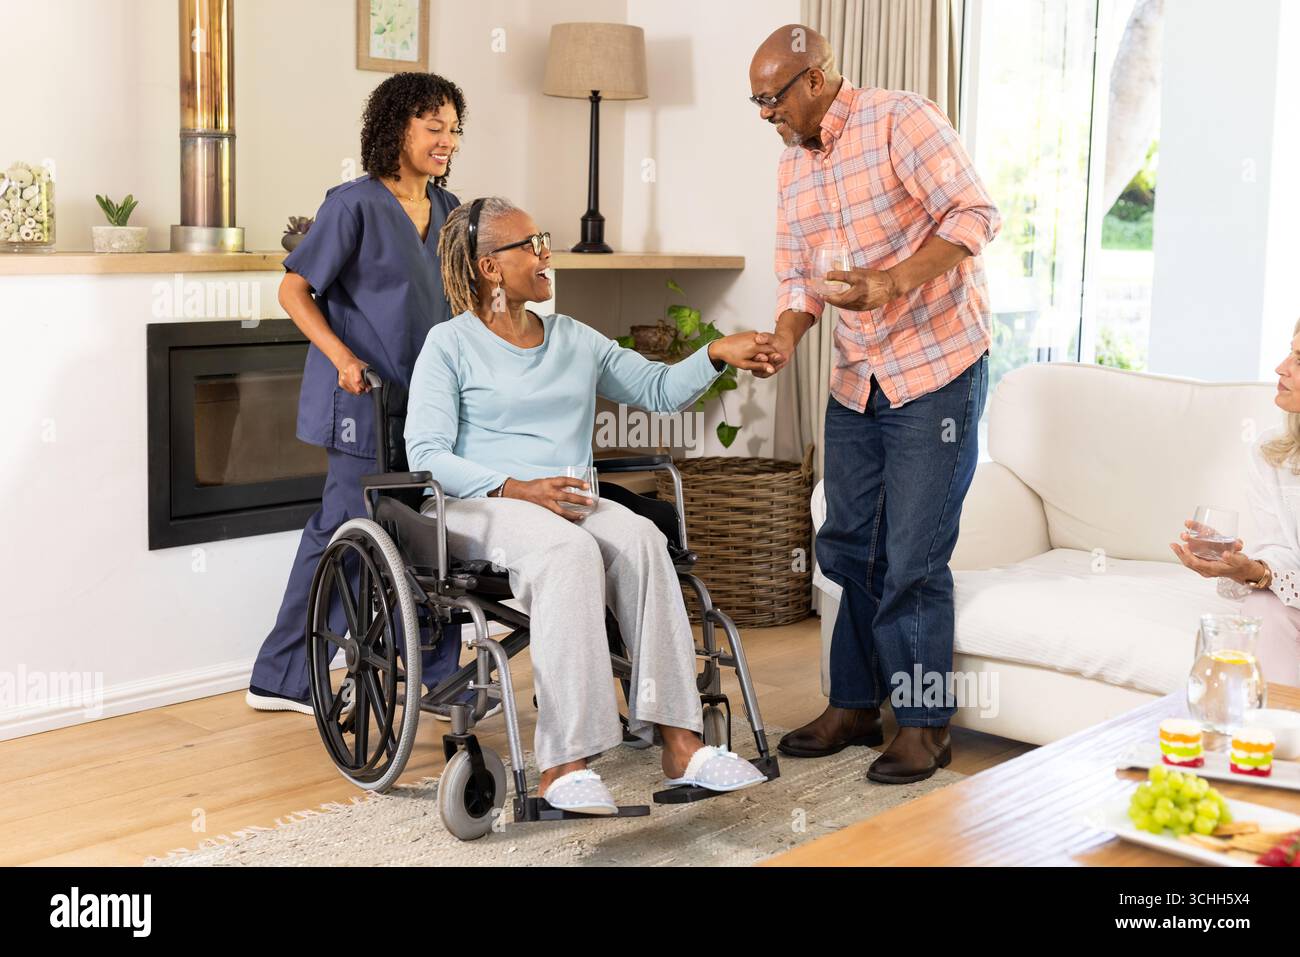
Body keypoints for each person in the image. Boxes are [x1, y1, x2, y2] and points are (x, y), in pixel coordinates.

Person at [404, 196, 783, 813]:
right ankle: (563, 766)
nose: (546, 252)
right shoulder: (449, 345)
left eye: (543, 237)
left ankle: (681, 744)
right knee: (568, 551)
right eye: (530, 244)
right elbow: (427, 452)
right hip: (477, 503)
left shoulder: (574, 338)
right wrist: (517, 488)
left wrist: (715, 354)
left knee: (640, 539)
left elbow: (657, 392)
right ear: (490, 268)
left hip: (567, 499)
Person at [747, 24, 1001, 783]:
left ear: (816, 79)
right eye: (755, 102)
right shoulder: (794, 168)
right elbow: (796, 276)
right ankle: (855, 703)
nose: (765, 115)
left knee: (913, 557)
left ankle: (924, 724)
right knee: (847, 541)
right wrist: (789, 336)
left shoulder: (900, 119)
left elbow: (974, 216)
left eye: (771, 98)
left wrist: (892, 281)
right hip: (857, 376)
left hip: (937, 366)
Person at [247, 73, 479, 717]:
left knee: (430, 535)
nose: (446, 140)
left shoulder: (452, 210)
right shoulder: (353, 204)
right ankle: (283, 677)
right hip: (362, 399)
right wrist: (343, 357)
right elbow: (293, 290)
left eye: (454, 129)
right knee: (346, 535)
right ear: (395, 130)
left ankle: (434, 674)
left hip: (430, 403)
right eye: (433, 127)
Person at [1170, 320, 1300, 687]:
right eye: (1290, 352)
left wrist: (1262, 574)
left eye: (1299, 360)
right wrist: (1247, 568)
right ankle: (1268, 736)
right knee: (1262, 607)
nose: (1281, 368)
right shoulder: (1271, 451)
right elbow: (1283, 549)